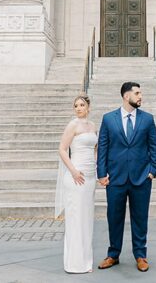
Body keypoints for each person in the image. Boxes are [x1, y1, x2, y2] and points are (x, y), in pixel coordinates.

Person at [97, 81, 156, 273]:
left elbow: (153, 147)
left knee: (140, 218)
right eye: (137, 93)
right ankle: (113, 254)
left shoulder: (147, 119)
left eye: (141, 93)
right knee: (114, 217)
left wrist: (152, 170)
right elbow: (103, 147)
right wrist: (101, 174)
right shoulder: (108, 119)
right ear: (126, 96)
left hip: (141, 178)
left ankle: (140, 255)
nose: (141, 96)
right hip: (115, 178)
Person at [55, 93, 97, 274]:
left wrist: (95, 167)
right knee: (75, 219)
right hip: (75, 177)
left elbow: (95, 148)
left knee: (86, 219)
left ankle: (86, 261)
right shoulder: (72, 125)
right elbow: (62, 149)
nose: (78, 108)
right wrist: (72, 170)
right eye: (76, 106)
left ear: (88, 107)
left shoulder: (93, 125)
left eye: (81, 105)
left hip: (89, 177)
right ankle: (74, 263)